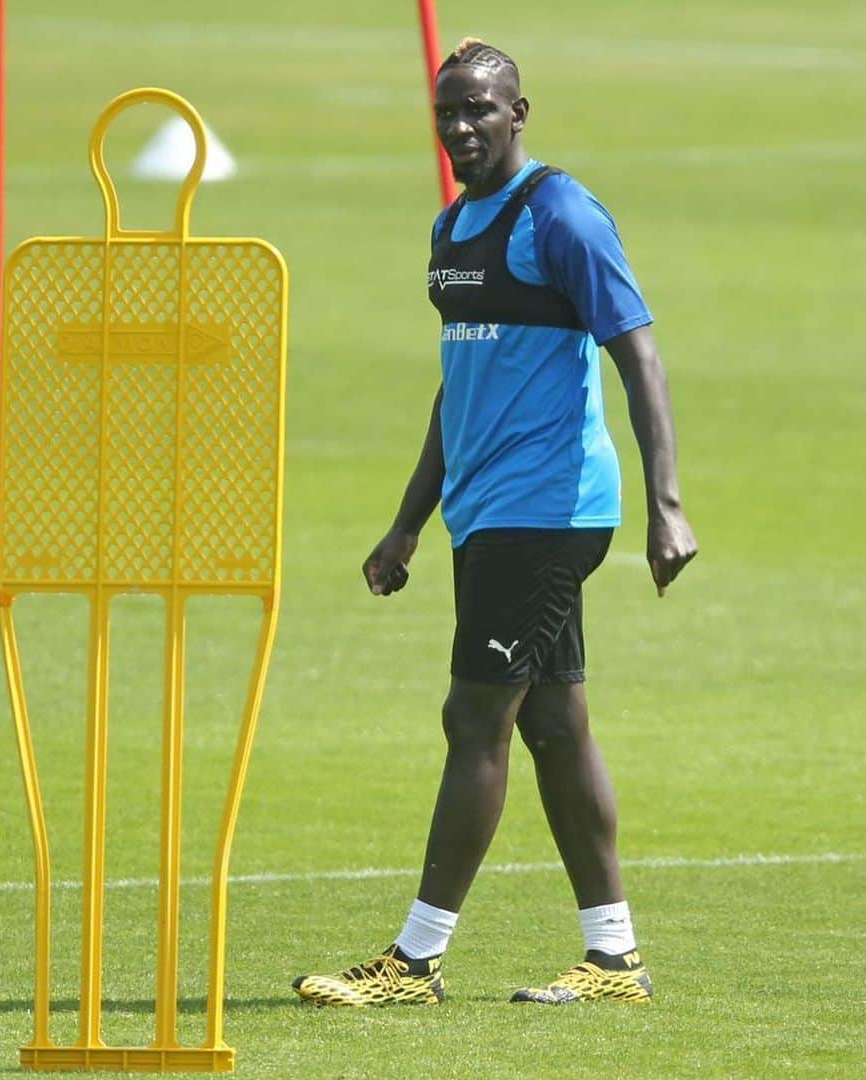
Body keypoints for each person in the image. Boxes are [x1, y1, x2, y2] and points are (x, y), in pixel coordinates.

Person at [292, 38, 697, 1007]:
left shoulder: (560, 215)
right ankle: (614, 961)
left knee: (473, 716)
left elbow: (639, 356)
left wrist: (667, 506)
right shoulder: (452, 228)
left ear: (520, 113)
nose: (462, 128)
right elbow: (459, 385)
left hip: (548, 509)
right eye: (447, 113)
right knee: (554, 725)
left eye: (480, 110)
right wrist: (407, 526)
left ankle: (415, 962)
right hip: (489, 513)